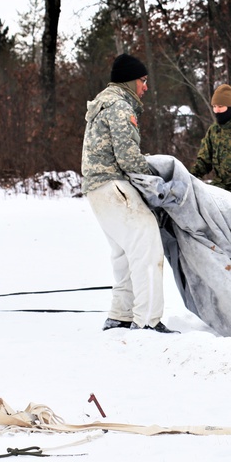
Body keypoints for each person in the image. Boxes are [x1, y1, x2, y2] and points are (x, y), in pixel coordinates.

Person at [82, 53, 177, 334]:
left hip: (97, 189)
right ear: (129, 80)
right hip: (114, 186)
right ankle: (148, 320)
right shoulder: (120, 106)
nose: (146, 86)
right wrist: (154, 181)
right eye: (142, 80)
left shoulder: (102, 104)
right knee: (147, 249)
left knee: (124, 253)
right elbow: (127, 155)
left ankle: (120, 315)